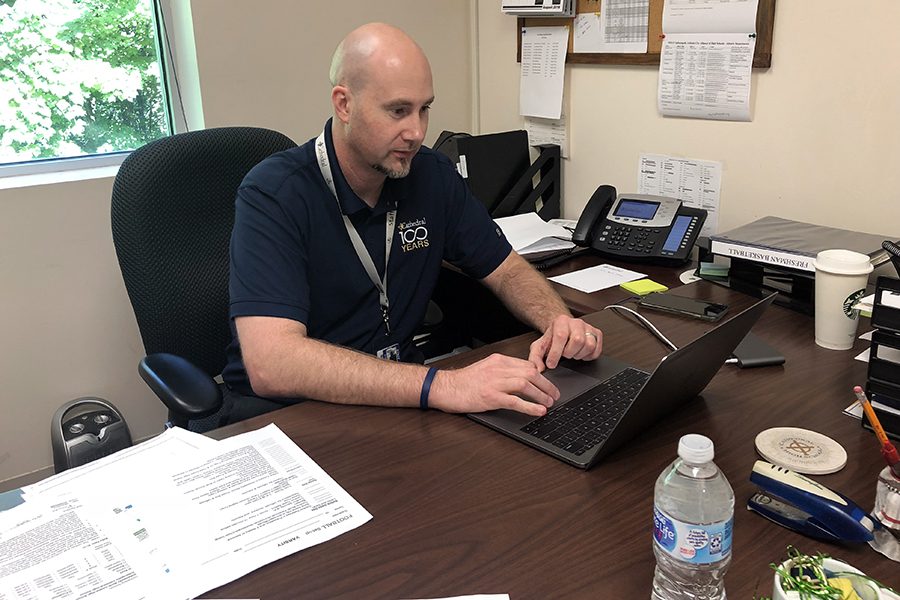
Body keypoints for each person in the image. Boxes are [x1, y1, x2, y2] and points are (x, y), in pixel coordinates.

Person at [222, 22, 603, 423]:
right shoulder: (275, 192)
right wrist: (444, 385)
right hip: (290, 414)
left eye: (425, 109)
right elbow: (272, 364)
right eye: (398, 111)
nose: (417, 132)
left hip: (396, 396)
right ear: (344, 104)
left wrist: (557, 319)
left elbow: (506, 269)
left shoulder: (431, 176)